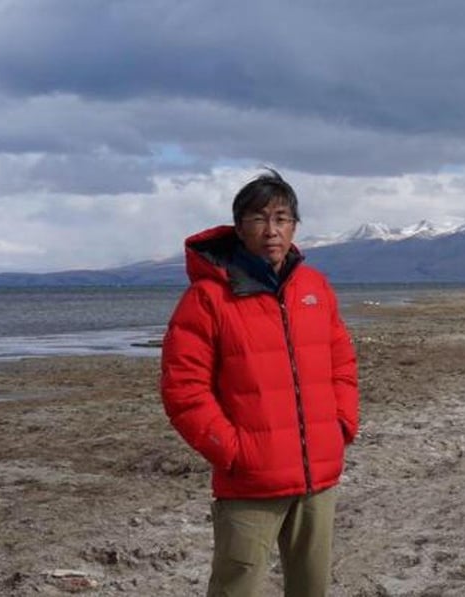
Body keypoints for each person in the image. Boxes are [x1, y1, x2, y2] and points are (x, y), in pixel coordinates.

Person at [160, 169, 359, 596]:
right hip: (251, 480)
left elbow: (341, 363)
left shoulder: (314, 287)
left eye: (282, 218)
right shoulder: (207, 298)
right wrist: (233, 451)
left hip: (318, 478)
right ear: (239, 227)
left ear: (294, 226)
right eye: (258, 219)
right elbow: (183, 389)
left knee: (312, 588)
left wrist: (341, 425)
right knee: (237, 588)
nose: (271, 230)